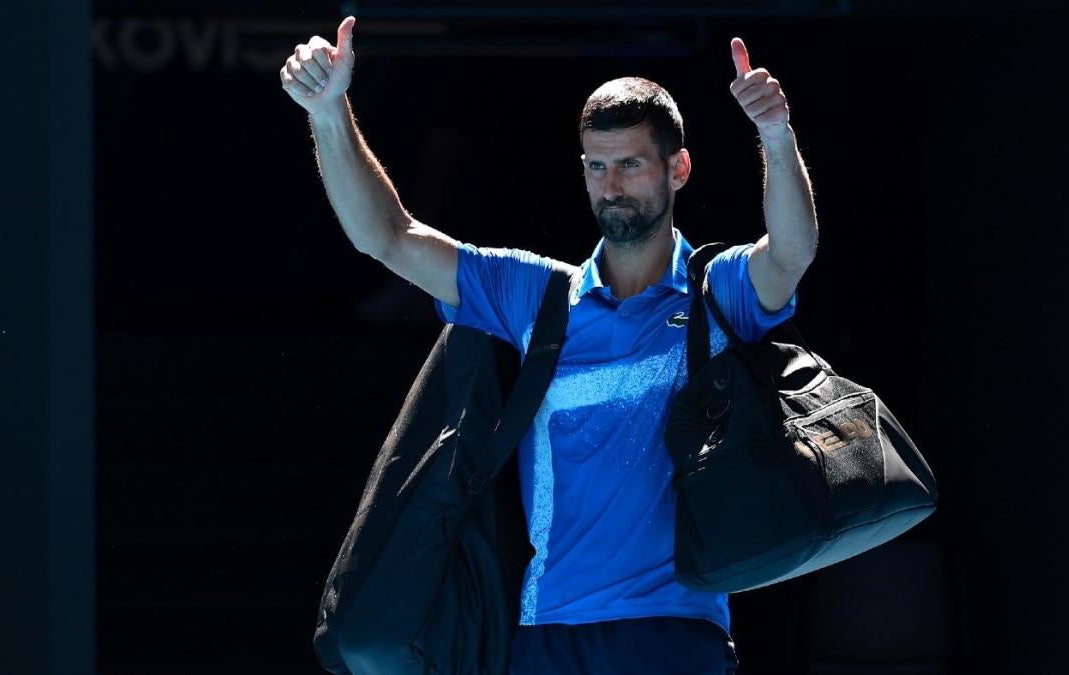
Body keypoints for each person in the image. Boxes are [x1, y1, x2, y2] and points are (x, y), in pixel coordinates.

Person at [281, 15, 818, 675]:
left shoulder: (714, 295)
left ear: (678, 169)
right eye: (597, 166)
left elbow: (791, 253)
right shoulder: (536, 296)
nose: (611, 185)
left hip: (676, 634)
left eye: (630, 165)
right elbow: (387, 237)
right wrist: (330, 112)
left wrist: (774, 132)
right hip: (547, 637)